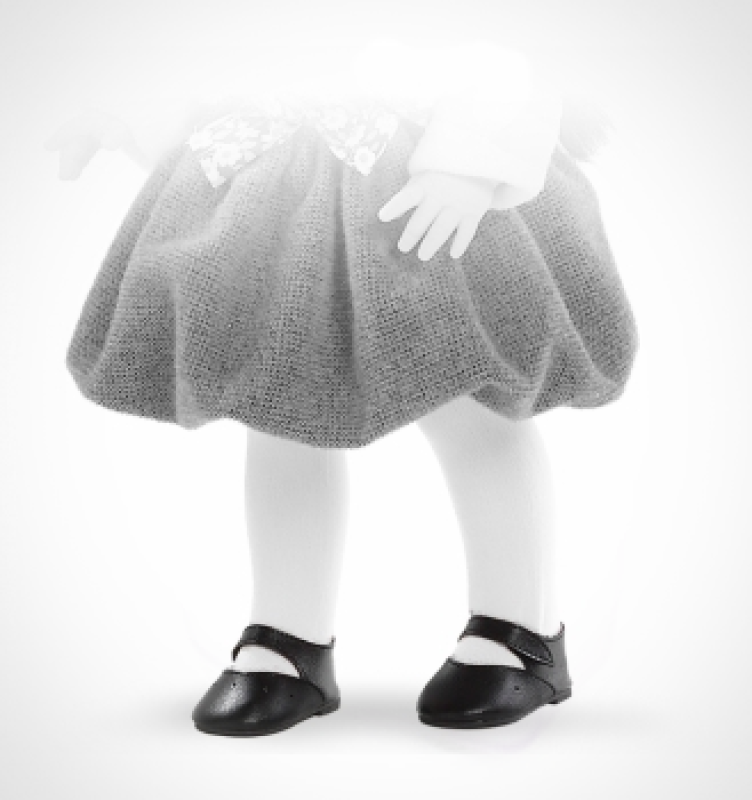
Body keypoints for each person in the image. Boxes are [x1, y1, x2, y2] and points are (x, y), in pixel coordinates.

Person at [48, 36, 638, 734]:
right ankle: (287, 637)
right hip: (276, 193)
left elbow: (497, 47)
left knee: (471, 398)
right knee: (278, 400)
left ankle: (521, 626)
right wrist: (123, 106)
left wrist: (472, 162)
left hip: (418, 185)